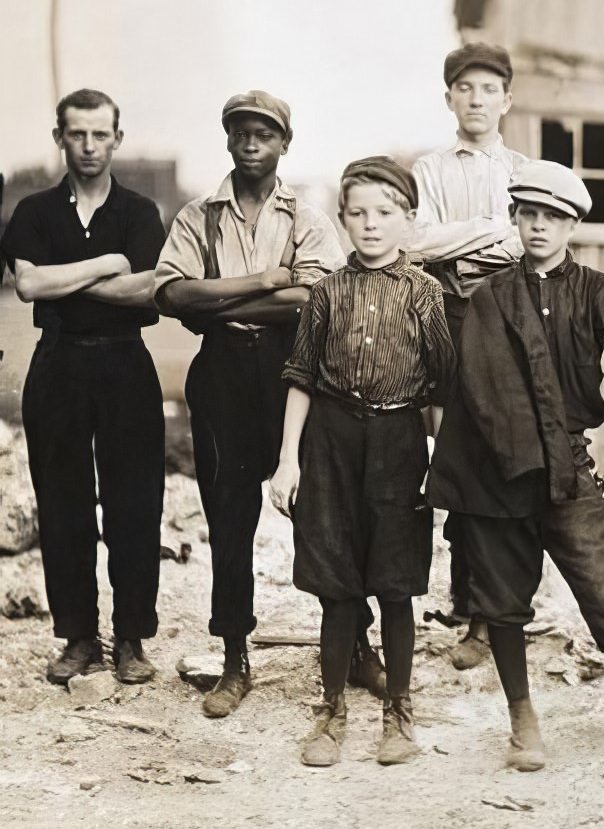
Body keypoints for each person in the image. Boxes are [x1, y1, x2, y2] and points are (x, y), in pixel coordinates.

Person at [429, 160, 604, 772]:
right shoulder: (490, 297)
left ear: (572, 225)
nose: (538, 227)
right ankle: (523, 721)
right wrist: (512, 455)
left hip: (570, 464)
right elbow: (479, 390)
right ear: (514, 219)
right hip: (500, 472)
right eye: (528, 214)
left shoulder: (597, 290)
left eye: (552, 217)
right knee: (504, 602)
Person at [153, 91, 352, 718]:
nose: (249, 141)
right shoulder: (198, 217)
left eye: (263, 132)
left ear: (284, 144)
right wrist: (266, 281)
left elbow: (313, 302)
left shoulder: (308, 218)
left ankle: (356, 644)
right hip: (222, 379)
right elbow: (171, 294)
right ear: (228, 139)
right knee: (230, 523)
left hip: (293, 375)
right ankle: (236, 660)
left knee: (321, 518)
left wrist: (221, 302)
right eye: (239, 131)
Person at [269, 157, 453, 766]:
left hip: (399, 442)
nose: (370, 225)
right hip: (331, 441)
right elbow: (300, 378)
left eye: (384, 213)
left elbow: (439, 386)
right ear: (342, 218)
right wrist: (287, 462)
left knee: (397, 585)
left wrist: (440, 461)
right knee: (337, 584)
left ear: (407, 219)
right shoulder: (325, 291)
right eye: (358, 213)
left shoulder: (424, 292)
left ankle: (398, 710)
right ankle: (331, 711)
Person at [1, 89, 165, 685]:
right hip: (58, 365)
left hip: (126, 366)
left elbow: (147, 291)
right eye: (78, 134)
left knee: (135, 504)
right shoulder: (34, 213)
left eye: (101, 134)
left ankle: (130, 639)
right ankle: (77, 637)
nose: (90, 146)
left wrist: (60, 280)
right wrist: (105, 264)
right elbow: (27, 287)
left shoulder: (141, 213)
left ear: (117, 139)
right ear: (60, 138)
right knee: (63, 504)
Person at [407, 42, 529, 671]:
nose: (477, 100)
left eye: (489, 90)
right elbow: (418, 241)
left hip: (511, 320)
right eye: (465, 89)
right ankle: (468, 607)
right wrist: (491, 232)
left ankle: (501, 608)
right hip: (450, 315)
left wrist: (463, 241)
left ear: (507, 100)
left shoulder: (525, 170)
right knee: (458, 454)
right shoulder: (428, 170)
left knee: (504, 453)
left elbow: (529, 246)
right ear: (449, 97)